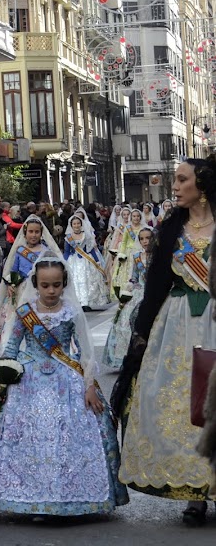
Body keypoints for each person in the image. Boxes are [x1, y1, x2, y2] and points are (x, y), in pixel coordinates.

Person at [0, 256, 128, 516]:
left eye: (56, 285)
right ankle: (30, 496)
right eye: (45, 285)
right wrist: (0, 380)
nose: (51, 291)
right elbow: (11, 347)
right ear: (36, 284)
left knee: (71, 434)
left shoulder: (70, 312)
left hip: (66, 377)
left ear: (64, 284)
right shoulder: (25, 312)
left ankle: (68, 495)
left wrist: (90, 385)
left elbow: (84, 352)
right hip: (28, 378)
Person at [111, 158, 216, 526]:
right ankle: (195, 490)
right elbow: (156, 285)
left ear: (200, 185)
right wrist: (141, 333)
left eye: (181, 179)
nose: (174, 185)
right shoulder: (170, 229)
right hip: (176, 327)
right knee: (181, 406)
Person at [0, 215, 62, 353]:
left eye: (37, 232)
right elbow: (14, 270)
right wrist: (11, 285)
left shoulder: (46, 251)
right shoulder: (19, 251)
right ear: (25, 233)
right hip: (21, 291)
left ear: (41, 233)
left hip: (40, 290)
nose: (33, 235)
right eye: (30, 231)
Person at [103, 227, 154, 369]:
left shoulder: (159, 257)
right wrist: (130, 287)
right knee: (126, 320)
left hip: (154, 293)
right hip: (139, 291)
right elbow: (135, 277)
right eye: (142, 239)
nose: (145, 241)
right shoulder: (137, 256)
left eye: (148, 238)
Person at [63, 214, 110, 311]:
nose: (76, 225)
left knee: (88, 280)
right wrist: (64, 263)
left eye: (78, 223)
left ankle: (86, 303)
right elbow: (66, 251)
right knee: (76, 281)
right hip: (73, 261)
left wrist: (97, 261)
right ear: (71, 225)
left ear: (81, 224)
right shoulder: (68, 237)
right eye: (74, 224)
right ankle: (78, 302)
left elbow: (91, 249)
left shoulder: (86, 235)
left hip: (86, 260)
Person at [109, 208, 144, 300]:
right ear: (131, 217)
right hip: (129, 254)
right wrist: (121, 253)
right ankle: (126, 292)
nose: (136, 218)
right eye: (134, 216)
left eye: (137, 216)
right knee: (126, 274)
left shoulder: (144, 227)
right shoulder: (127, 228)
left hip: (140, 253)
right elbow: (124, 242)